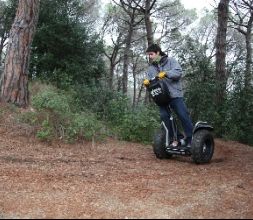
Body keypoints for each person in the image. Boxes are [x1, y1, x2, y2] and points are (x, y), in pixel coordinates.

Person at [144, 44, 193, 148]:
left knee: (183, 115)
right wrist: (146, 83)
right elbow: (149, 81)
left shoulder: (170, 61)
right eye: (149, 55)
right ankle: (178, 139)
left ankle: (191, 140)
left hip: (174, 94)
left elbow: (178, 72)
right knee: (165, 117)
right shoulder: (151, 68)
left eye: (151, 54)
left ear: (158, 52)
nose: (150, 57)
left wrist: (166, 73)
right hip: (162, 97)